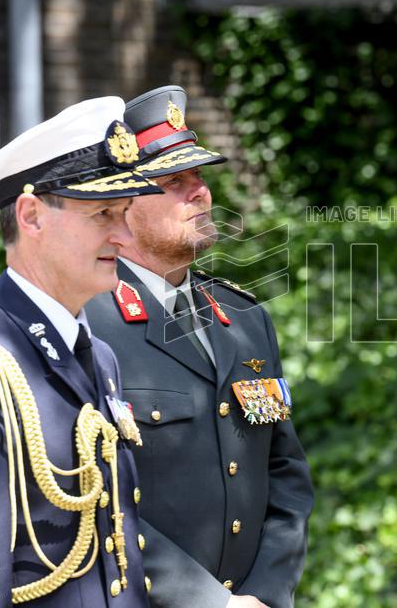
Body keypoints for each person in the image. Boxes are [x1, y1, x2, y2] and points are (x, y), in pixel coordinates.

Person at [0, 97, 163, 606]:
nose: (125, 235)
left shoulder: (99, 356)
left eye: (126, 213)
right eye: (104, 213)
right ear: (31, 216)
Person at [85, 85, 314, 608]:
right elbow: (95, 497)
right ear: (121, 206)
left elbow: (286, 475)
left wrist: (265, 594)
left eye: (200, 177)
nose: (201, 192)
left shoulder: (245, 319)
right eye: (174, 181)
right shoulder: (87, 323)